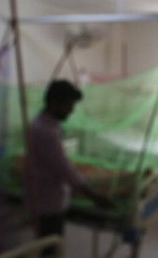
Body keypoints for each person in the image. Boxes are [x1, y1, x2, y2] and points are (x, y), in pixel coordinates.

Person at [25, 79, 112, 238]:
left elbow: (61, 164)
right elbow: (64, 169)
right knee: (50, 244)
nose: (72, 110)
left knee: (50, 242)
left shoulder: (46, 124)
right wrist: (93, 196)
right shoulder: (45, 131)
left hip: (49, 198)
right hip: (47, 203)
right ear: (54, 103)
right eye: (69, 105)